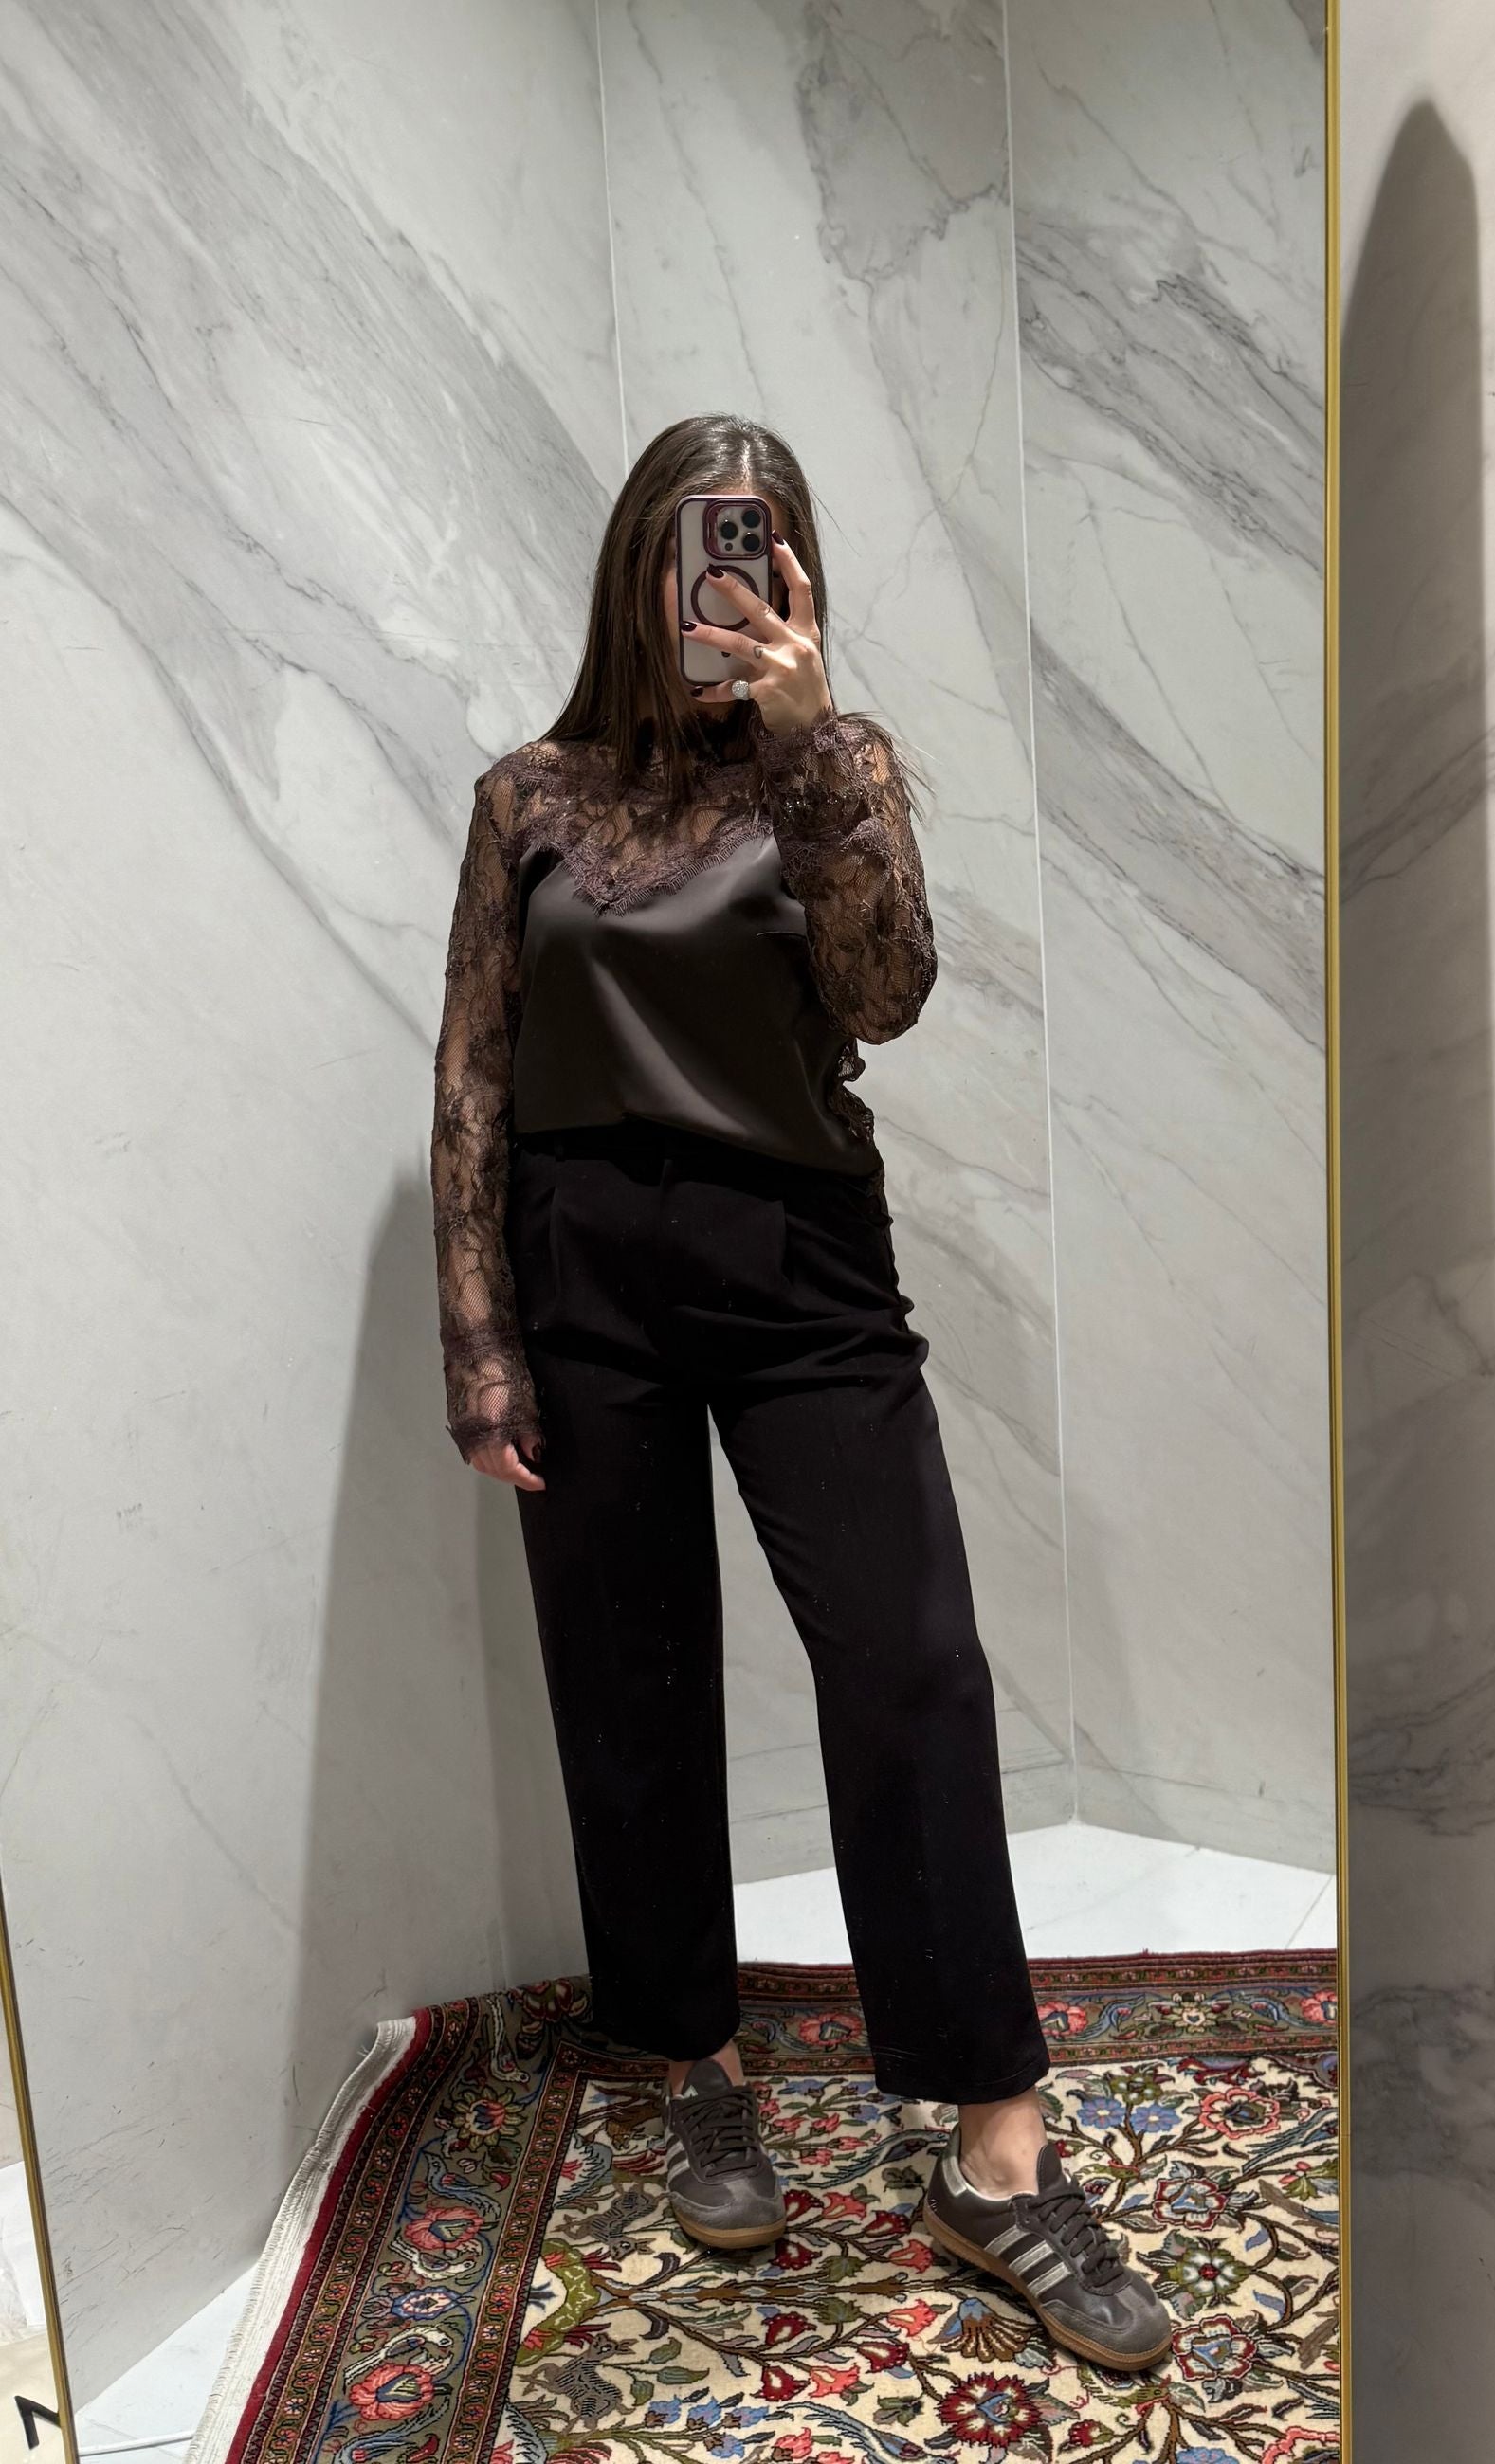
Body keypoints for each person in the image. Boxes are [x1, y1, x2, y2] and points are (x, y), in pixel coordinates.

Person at [430, 413, 1170, 2372]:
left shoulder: (833, 770)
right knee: (632, 1679)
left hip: (803, 1269)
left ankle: (997, 2151)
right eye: (694, 548)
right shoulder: (527, 800)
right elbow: (477, 1073)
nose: (723, 581)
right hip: (585, 1272)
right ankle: (699, 2063)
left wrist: (818, 741)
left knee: (913, 1667)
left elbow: (884, 993)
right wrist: (482, 1336)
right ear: (636, 568)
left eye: (755, 548)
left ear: (794, 572)